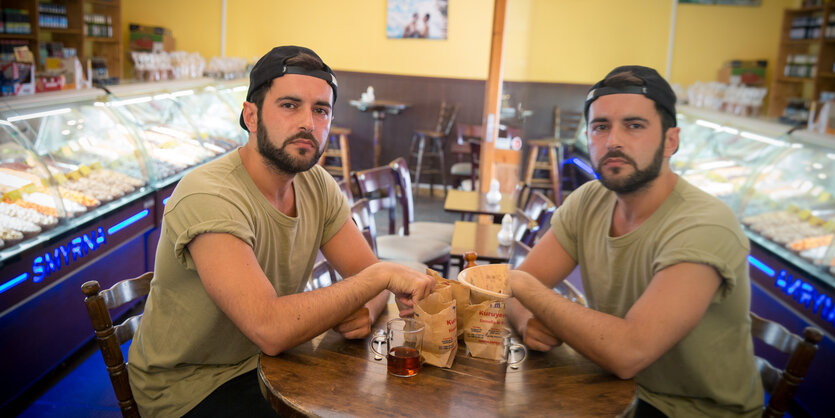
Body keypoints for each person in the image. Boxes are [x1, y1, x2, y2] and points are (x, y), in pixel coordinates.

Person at [127, 45, 435, 417]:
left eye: (320, 110)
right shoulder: (210, 195)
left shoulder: (316, 184)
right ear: (251, 117)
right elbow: (271, 327)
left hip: (272, 364)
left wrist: (366, 312)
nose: (308, 122)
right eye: (290, 105)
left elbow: (365, 280)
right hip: (191, 389)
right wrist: (378, 279)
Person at [507, 65, 763, 417]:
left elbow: (628, 352)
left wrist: (524, 288)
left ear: (671, 140)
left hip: (688, 410)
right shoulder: (589, 200)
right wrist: (525, 320)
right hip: (611, 389)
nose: (614, 140)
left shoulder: (704, 225)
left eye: (634, 125)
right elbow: (511, 297)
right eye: (601, 127)